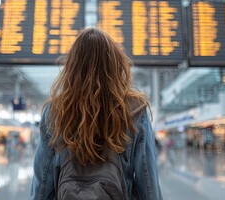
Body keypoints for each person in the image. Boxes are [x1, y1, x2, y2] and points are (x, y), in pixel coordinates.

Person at [30, 28, 162, 199]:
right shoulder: (135, 110)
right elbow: (148, 182)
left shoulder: (56, 110)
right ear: (114, 64)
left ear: (72, 66)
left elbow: (43, 180)